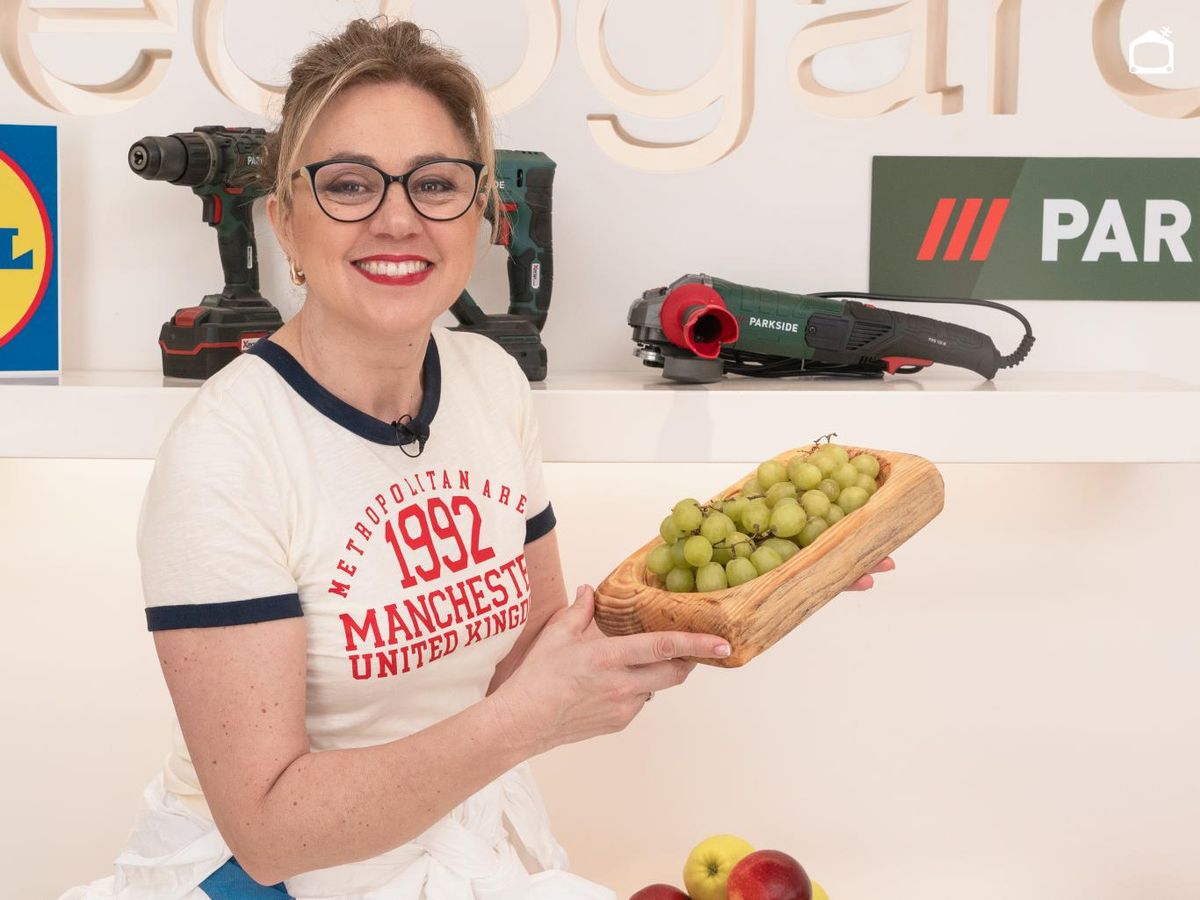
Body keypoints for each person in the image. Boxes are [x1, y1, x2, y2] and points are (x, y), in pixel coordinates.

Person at [60, 16, 893, 900]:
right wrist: (520, 725)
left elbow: (531, 661)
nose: (396, 218)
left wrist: (752, 582)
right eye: (347, 184)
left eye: (435, 184)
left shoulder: (487, 381)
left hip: (454, 835)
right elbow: (270, 833)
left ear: (480, 213)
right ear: (286, 224)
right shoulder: (227, 455)